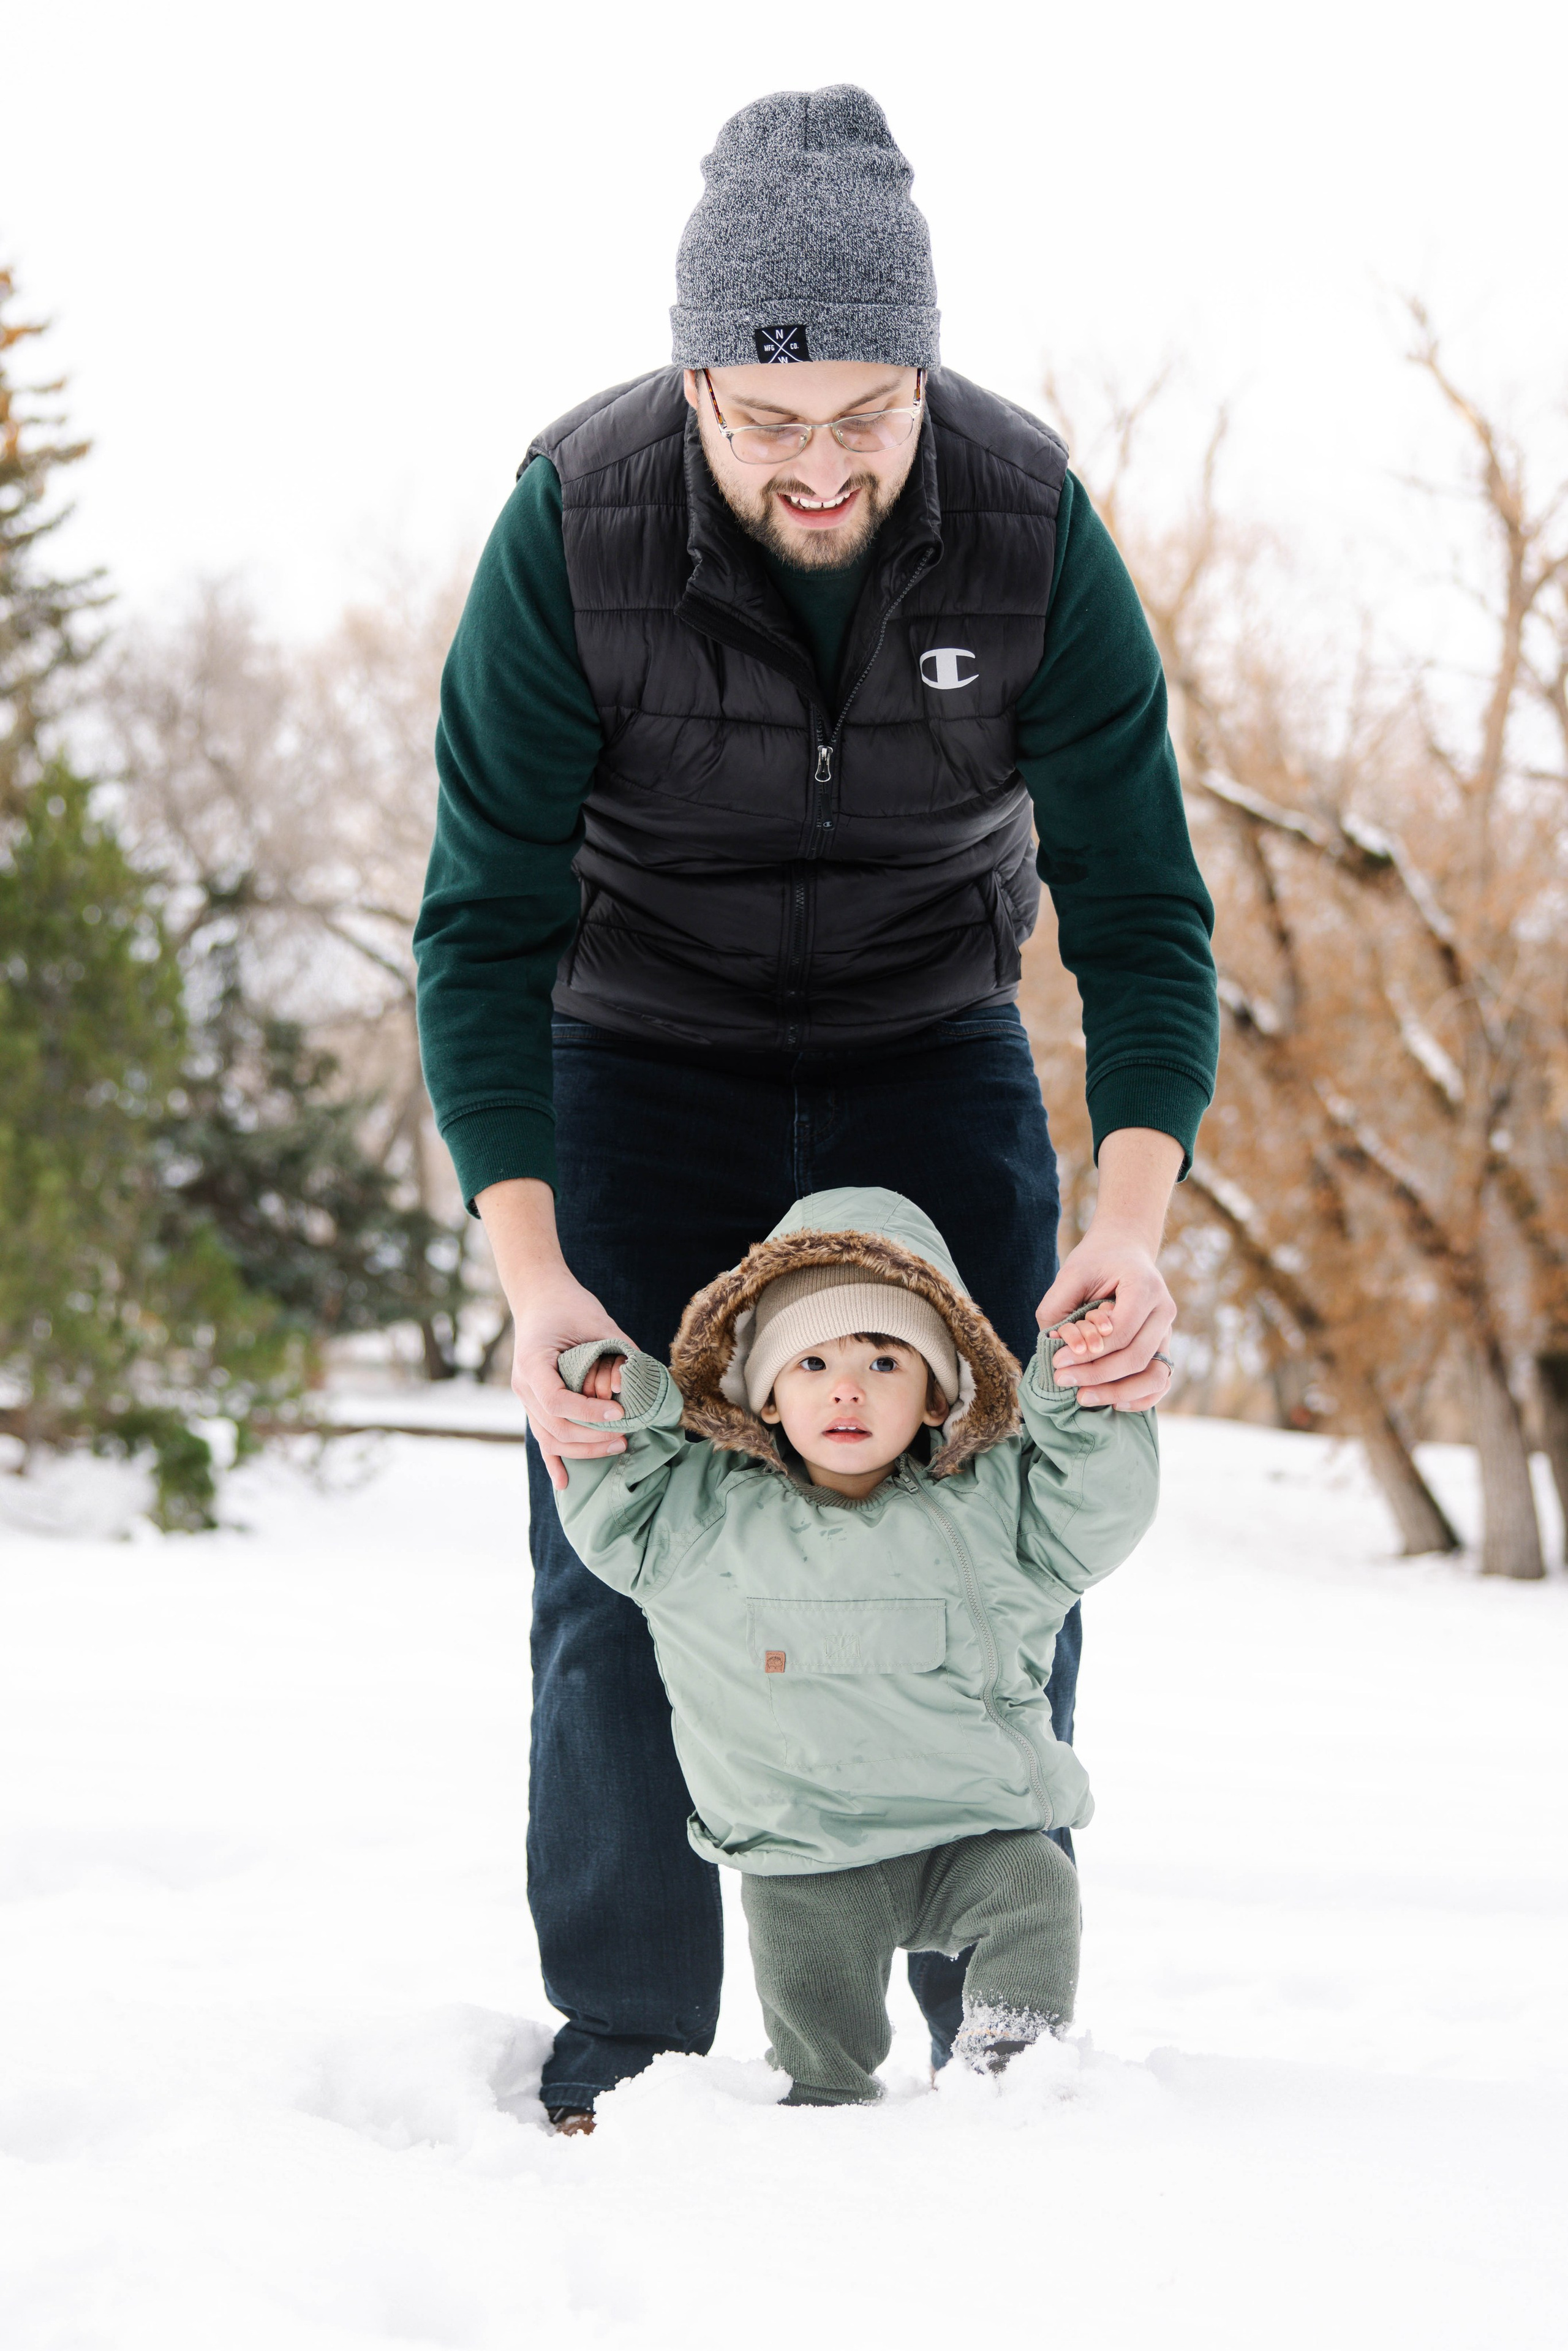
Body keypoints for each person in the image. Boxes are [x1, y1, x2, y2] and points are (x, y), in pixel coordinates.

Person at [413, 83, 1217, 2126]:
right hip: (634, 1050)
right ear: (693, 383)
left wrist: (1126, 1223)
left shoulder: (1028, 525)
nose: (822, 465)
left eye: (866, 413)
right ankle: (635, 2043)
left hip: (925, 1035)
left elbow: (1141, 904)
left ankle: (984, 2039)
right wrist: (536, 1278)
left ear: (921, 380)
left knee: (978, 1543)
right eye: (767, 422)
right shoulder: (571, 525)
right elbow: (480, 926)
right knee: (622, 1539)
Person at [550, 1187, 1158, 2119]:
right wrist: (615, 1395)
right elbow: (615, 1502)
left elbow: (1097, 1505)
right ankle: (825, 2119)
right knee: (816, 2047)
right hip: (805, 1861)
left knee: (1041, 1890)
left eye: (885, 1358)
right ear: (762, 1391)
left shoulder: (996, 1510)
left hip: (971, 1837)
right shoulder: (702, 1519)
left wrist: (1083, 1396)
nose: (848, 1385)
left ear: (936, 1393)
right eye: (813, 1360)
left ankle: (1013, 2075)